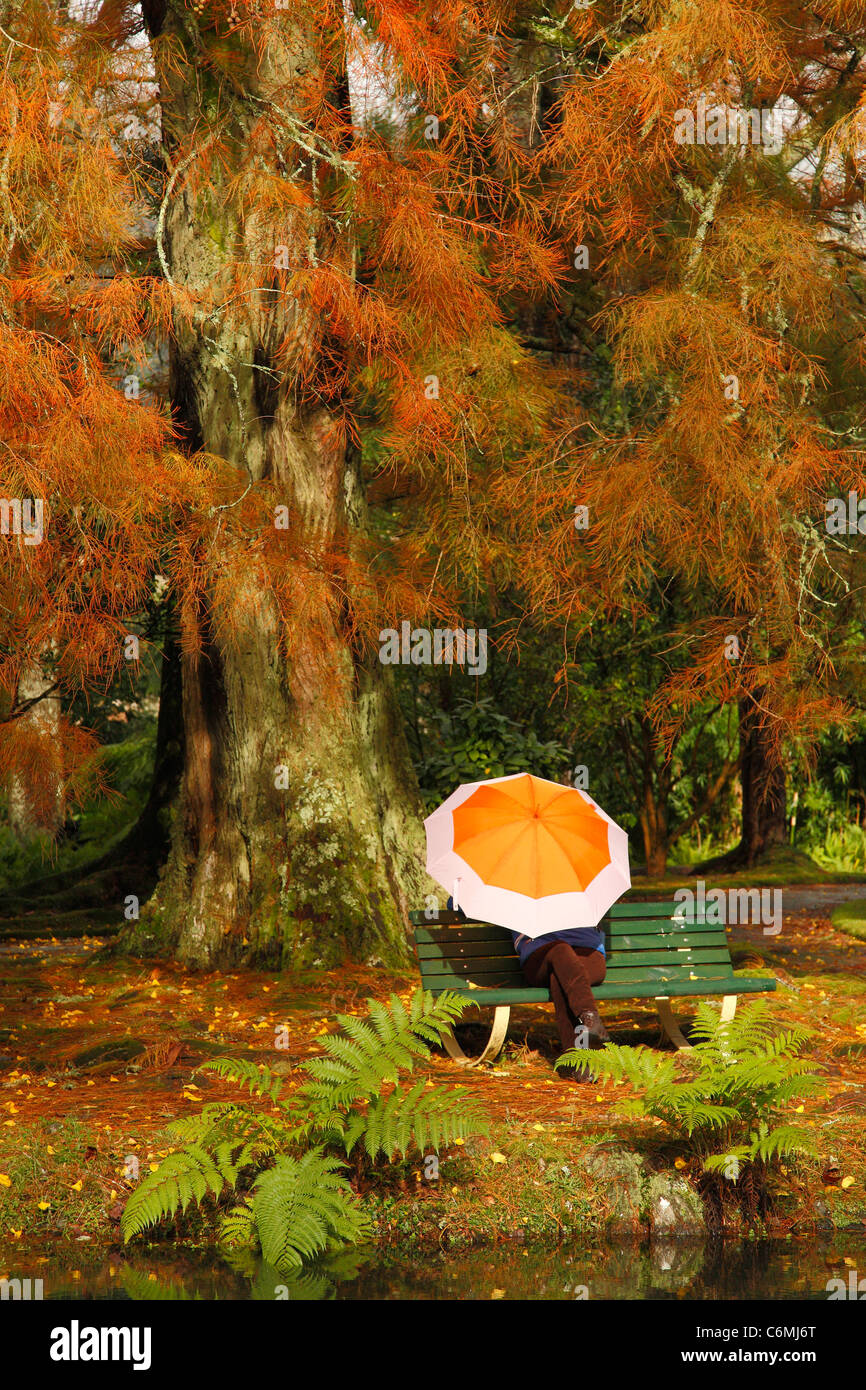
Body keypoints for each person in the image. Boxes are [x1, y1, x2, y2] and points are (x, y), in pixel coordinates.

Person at [511, 925, 610, 1081]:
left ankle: (579, 1062)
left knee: (561, 976)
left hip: (586, 949)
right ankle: (590, 1016)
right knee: (561, 951)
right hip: (541, 954)